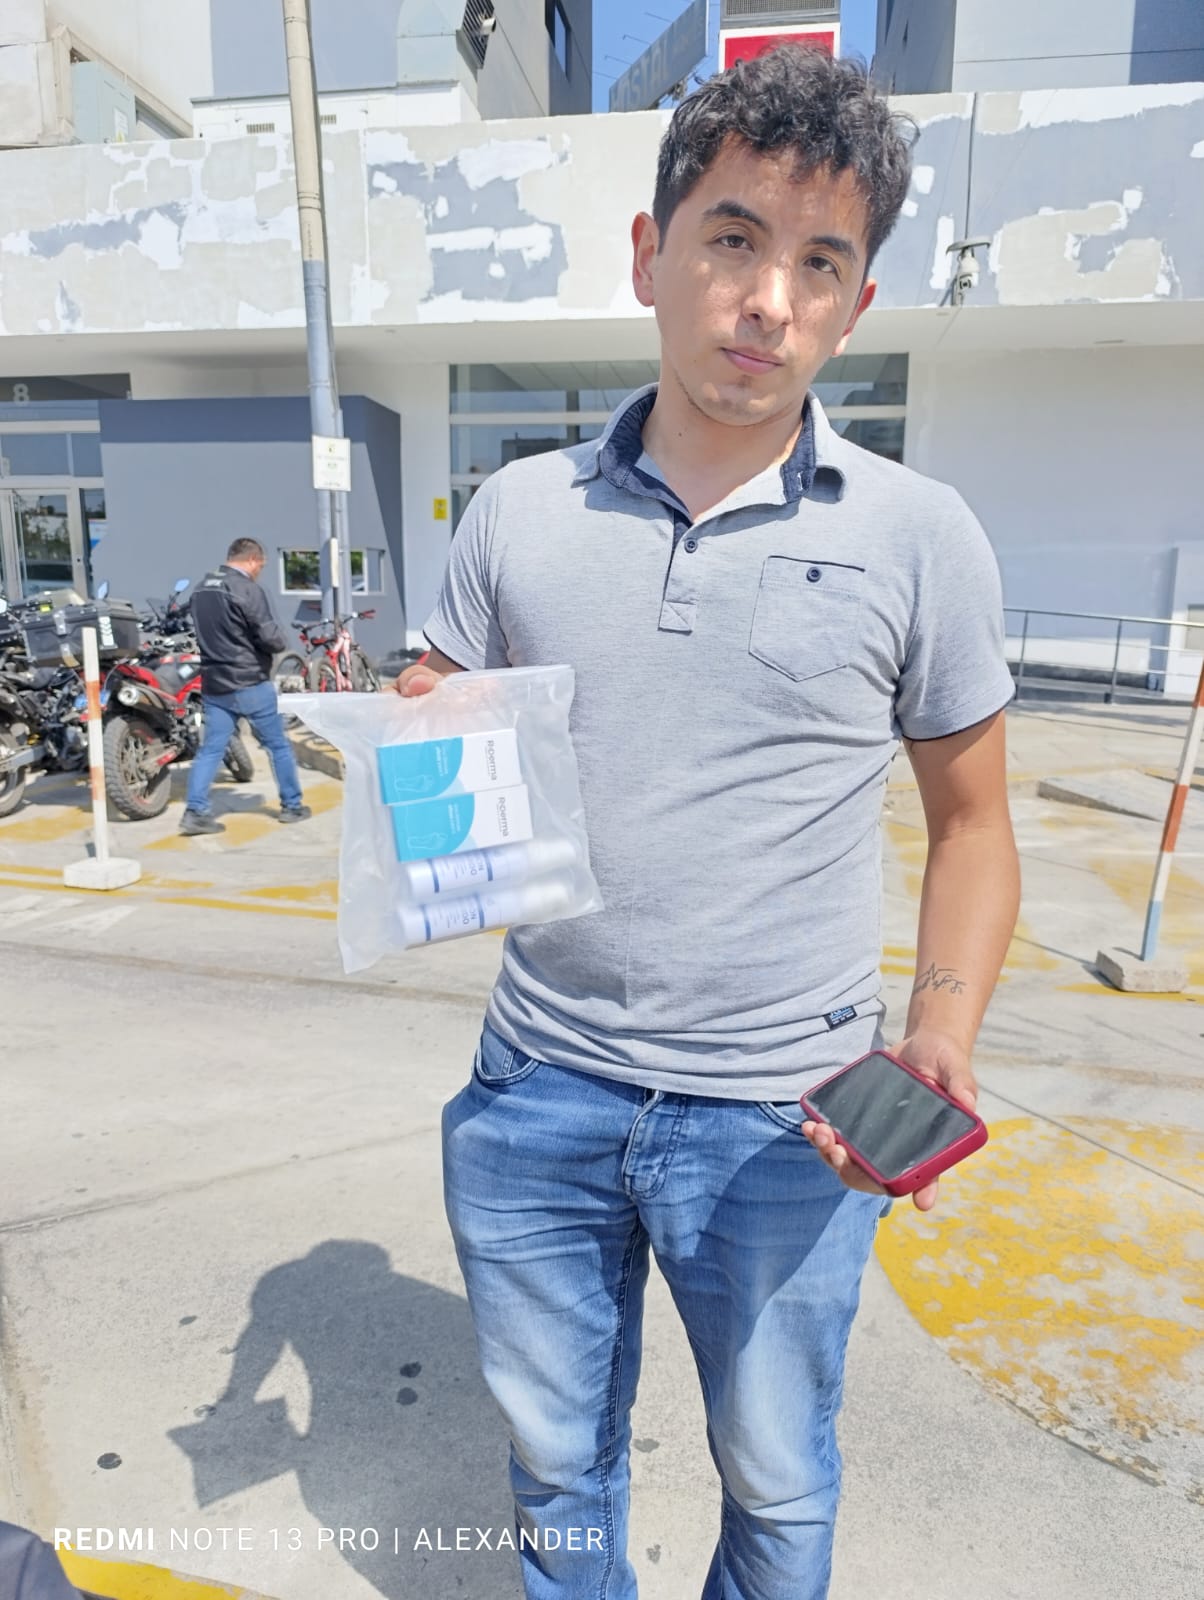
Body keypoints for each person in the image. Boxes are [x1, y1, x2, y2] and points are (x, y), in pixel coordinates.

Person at [396, 47, 1020, 1600]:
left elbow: (974, 824)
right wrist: (421, 730)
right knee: (555, 1462)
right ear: (650, 255)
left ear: (854, 308)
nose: (768, 301)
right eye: (733, 240)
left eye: (820, 264)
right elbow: (441, 718)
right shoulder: (517, 512)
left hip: (786, 1117)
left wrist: (941, 1032)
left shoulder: (921, 536)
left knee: (779, 1477)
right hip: (538, 1085)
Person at [180, 536, 311, 835]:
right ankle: (292, 806)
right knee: (278, 745)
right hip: (249, 682)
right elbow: (270, 638)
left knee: (211, 750)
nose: (259, 572)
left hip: (215, 684)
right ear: (252, 560)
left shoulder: (201, 588)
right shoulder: (247, 589)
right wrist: (280, 642)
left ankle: (195, 812)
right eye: (260, 566)